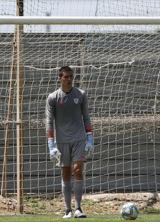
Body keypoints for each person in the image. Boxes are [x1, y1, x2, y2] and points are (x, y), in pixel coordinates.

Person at [45, 66, 93, 219]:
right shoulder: (53, 97)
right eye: (66, 76)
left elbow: (86, 117)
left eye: (71, 76)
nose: (69, 79)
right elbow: (49, 122)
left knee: (78, 170)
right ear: (60, 77)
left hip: (79, 138)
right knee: (66, 172)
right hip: (62, 140)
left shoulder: (81, 94)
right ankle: (67, 209)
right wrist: (51, 145)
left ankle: (78, 208)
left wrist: (90, 138)